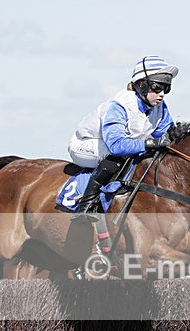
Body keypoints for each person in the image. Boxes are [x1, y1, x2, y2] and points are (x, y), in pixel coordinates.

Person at [68, 55, 178, 213]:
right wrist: (150, 143)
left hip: (119, 145)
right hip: (87, 144)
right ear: (141, 85)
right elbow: (116, 146)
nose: (162, 94)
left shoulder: (160, 107)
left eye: (166, 88)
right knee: (117, 158)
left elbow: (166, 133)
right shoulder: (120, 105)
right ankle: (85, 206)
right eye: (157, 87)